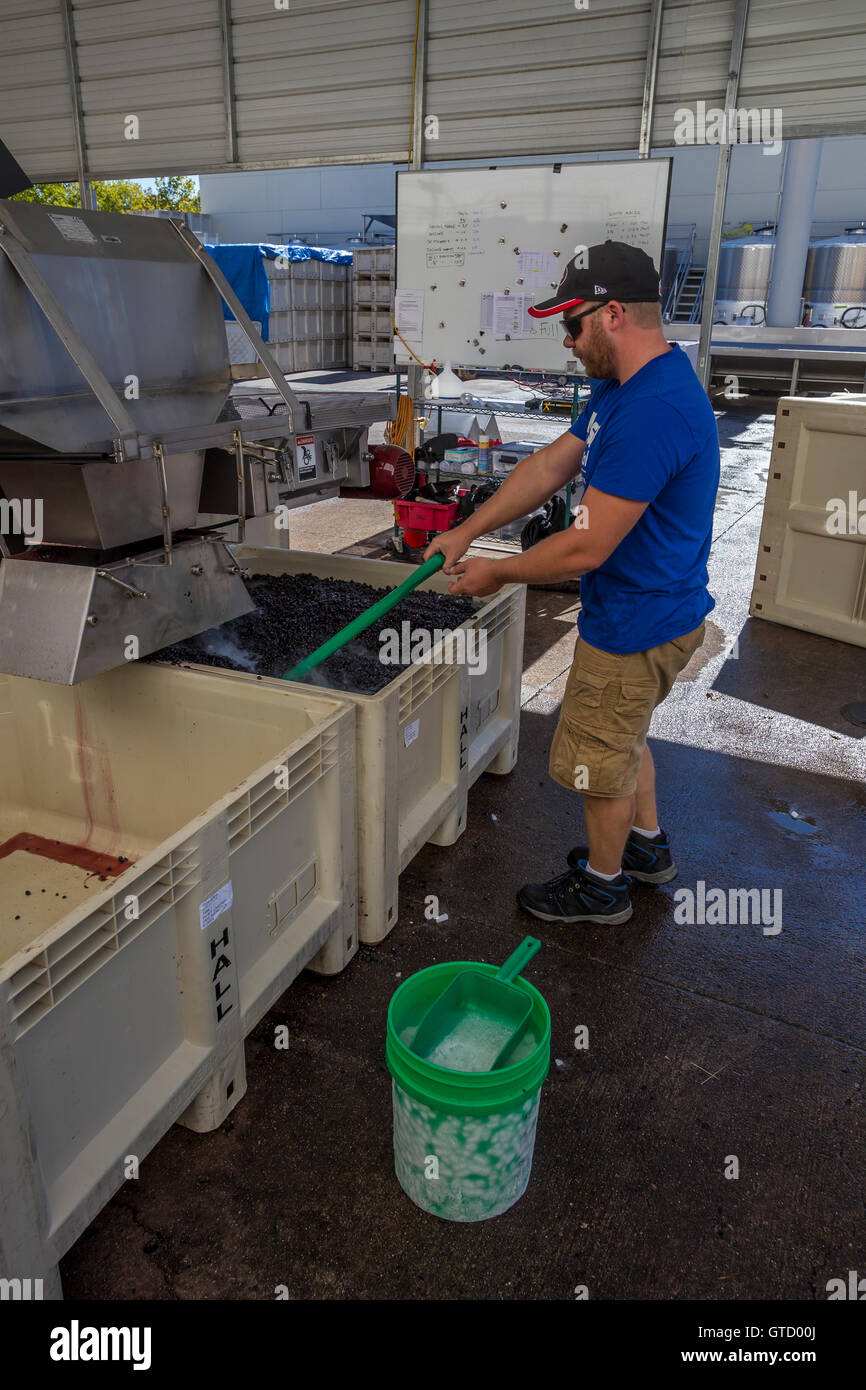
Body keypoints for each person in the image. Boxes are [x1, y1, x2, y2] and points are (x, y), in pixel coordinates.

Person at [424, 241, 720, 926]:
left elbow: (586, 546)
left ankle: (604, 886)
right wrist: (470, 529)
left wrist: (494, 572)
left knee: (597, 759)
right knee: (627, 735)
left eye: (572, 324)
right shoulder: (626, 386)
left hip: (636, 624)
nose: (566, 341)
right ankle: (646, 849)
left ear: (613, 313)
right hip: (657, 612)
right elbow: (552, 465)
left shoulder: (653, 410)